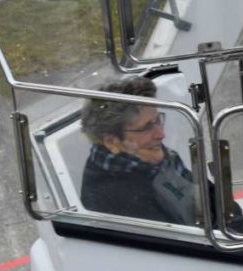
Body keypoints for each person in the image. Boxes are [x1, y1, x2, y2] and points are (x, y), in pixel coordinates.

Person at [79, 76, 197, 224]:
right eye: (147, 127)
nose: (161, 134)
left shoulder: (143, 154)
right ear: (111, 142)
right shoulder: (120, 198)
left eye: (158, 121)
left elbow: (208, 195)